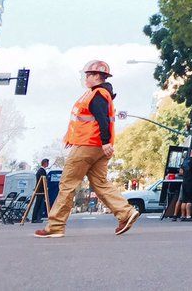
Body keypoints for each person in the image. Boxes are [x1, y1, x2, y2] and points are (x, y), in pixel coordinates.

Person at [35, 60, 139, 239]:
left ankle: (55, 226)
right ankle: (125, 212)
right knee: (100, 183)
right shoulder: (100, 94)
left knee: (67, 184)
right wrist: (72, 138)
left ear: (98, 76)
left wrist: (105, 142)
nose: (85, 78)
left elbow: (102, 120)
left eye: (88, 75)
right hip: (97, 147)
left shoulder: (97, 94)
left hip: (88, 146)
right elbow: (85, 120)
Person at [174, 147, 192, 221]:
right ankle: (188, 216)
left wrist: (187, 174)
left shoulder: (185, 160)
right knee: (190, 201)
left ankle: (182, 215)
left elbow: (181, 171)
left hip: (185, 182)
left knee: (184, 200)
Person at [32, 158, 50, 223]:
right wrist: (45, 188)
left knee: (39, 204)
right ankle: (35, 218)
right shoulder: (41, 171)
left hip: (40, 189)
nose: (48, 164)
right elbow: (42, 181)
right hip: (41, 190)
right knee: (38, 204)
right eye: (47, 163)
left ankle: (37, 218)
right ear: (45, 163)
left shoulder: (41, 170)